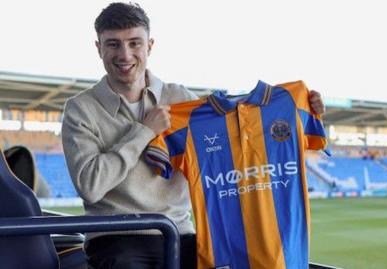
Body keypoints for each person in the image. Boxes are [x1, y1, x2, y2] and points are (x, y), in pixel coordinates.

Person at [61, 2, 326, 268]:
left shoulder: (181, 100)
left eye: (134, 43)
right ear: (98, 48)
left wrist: (296, 115)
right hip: (116, 238)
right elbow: (90, 186)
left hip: (178, 233)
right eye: (113, 44)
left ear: (150, 45)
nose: (125, 54)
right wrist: (144, 132)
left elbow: (238, 130)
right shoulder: (80, 109)